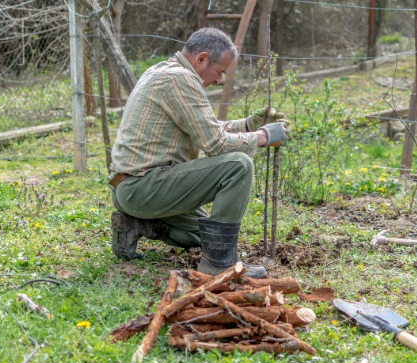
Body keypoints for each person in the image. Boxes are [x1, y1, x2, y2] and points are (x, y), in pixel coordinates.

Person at [109, 27, 290, 279]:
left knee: (206, 234)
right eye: (219, 72)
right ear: (202, 59)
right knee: (239, 164)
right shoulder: (181, 80)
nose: (218, 80)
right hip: (144, 186)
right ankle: (218, 264)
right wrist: (262, 137)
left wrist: (249, 125)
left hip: (131, 188)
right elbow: (216, 144)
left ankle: (135, 223)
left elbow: (204, 128)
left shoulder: (162, 71)